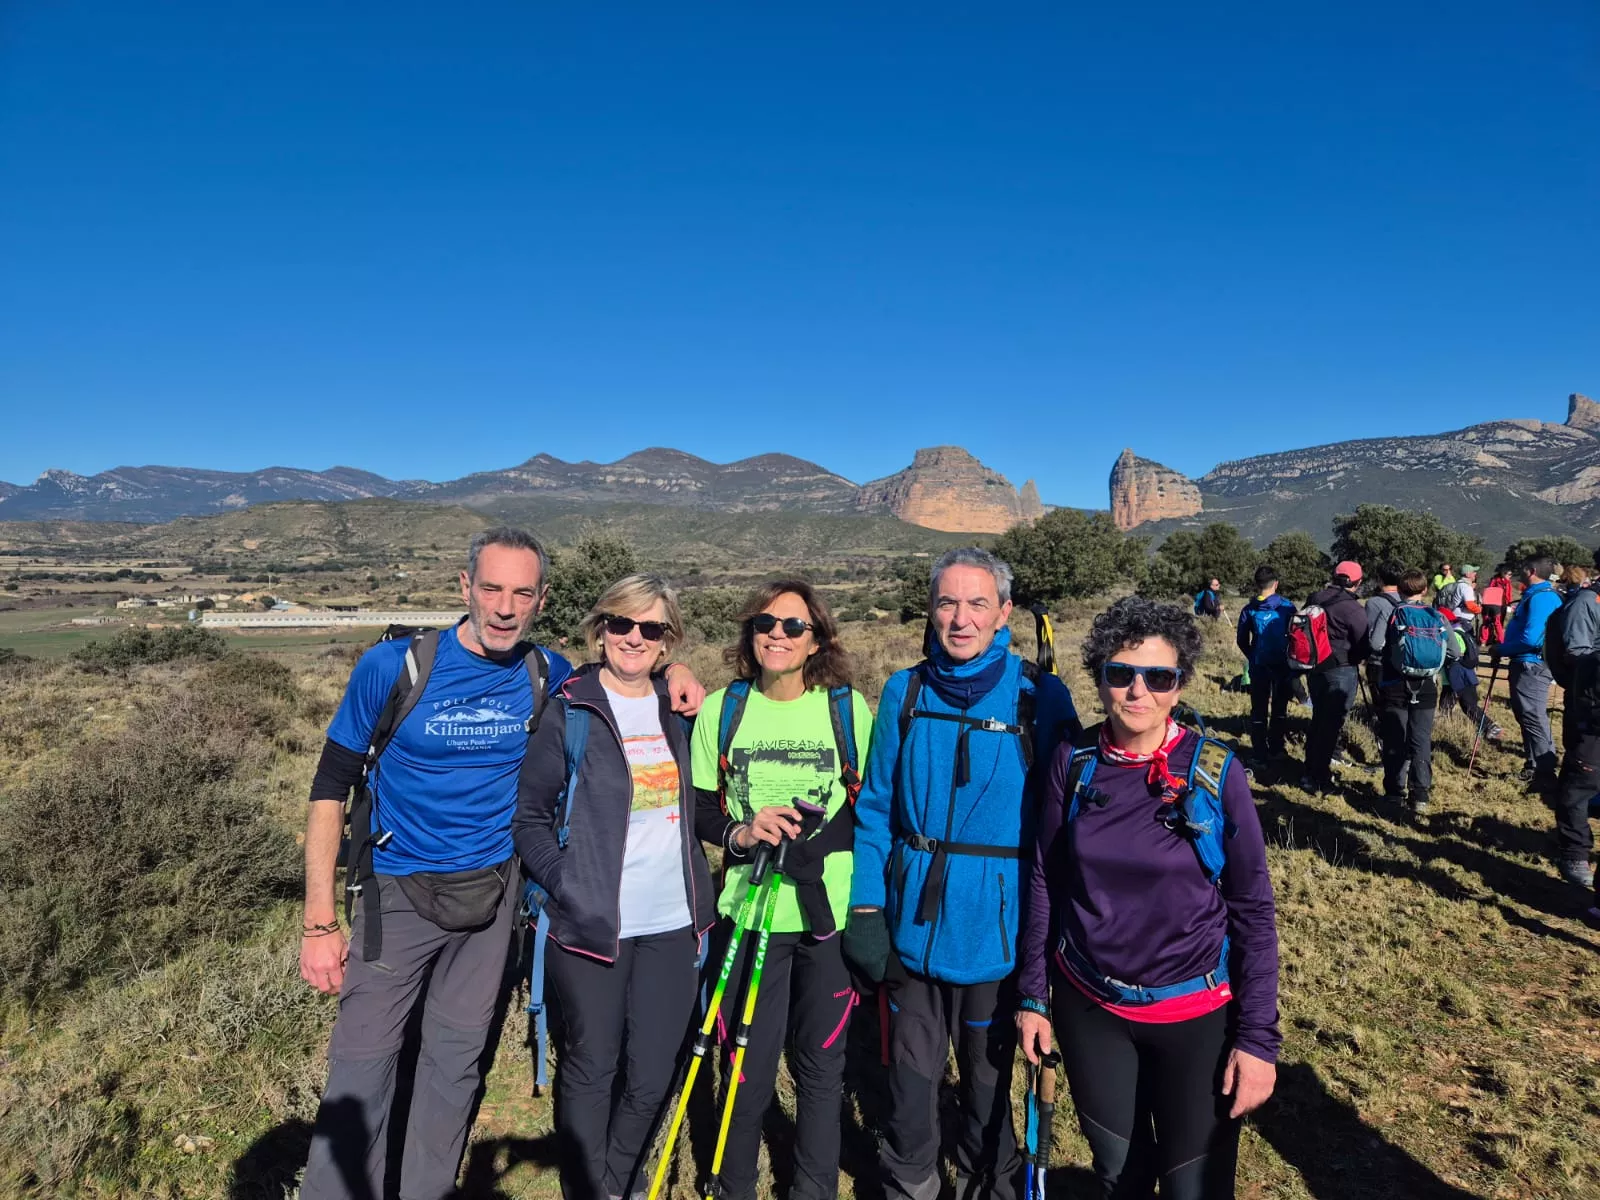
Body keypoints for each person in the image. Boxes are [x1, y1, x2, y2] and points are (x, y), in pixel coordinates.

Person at [297, 529, 705, 1200]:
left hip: (493, 899)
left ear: (542, 599)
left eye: (522, 592)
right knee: (362, 1069)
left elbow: (621, 675)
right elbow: (329, 786)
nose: (505, 607)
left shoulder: (547, 672)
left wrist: (673, 671)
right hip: (396, 893)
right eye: (491, 588)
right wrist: (319, 920)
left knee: (454, 1069)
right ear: (465, 587)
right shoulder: (394, 667)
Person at [1017, 596, 1279, 1200]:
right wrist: (1033, 995)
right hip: (1091, 1008)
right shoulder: (1074, 762)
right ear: (1099, 677)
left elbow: (1252, 909)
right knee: (1120, 1179)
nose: (1138, 691)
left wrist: (1258, 1039)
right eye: (1121, 674)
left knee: (1195, 1190)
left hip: (1197, 1015)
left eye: (1158, 677)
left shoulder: (1215, 771)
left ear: (1179, 684)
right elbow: (1045, 878)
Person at [844, 547, 1079, 1200]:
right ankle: (910, 1185)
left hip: (998, 939)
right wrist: (866, 910)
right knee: (910, 1088)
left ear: (1004, 612)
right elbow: (876, 810)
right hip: (912, 932)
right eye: (947, 602)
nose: (960, 618)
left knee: (987, 1091)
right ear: (930, 610)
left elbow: (1063, 828)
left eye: (978, 603)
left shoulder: (1039, 697)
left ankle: (990, 1186)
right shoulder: (905, 692)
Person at [513, 574, 713, 1200]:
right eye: (621, 623)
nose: (634, 637)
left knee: (652, 1074)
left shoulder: (681, 710)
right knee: (592, 1065)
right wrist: (566, 884)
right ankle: (588, 1188)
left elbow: (705, 803)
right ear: (600, 630)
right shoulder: (570, 709)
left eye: (651, 628)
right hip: (592, 922)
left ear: (667, 640)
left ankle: (615, 1181)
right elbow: (529, 818)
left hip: (673, 923)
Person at [686, 580, 874, 1200]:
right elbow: (701, 807)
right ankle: (734, 1185)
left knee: (821, 1069)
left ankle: (814, 1190)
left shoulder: (846, 709)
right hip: (750, 914)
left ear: (816, 640)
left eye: (794, 626)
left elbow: (869, 806)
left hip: (826, 919)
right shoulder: (724, 708)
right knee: (746, 1068)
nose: (777, 635)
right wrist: (742, 833)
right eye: (765, 623)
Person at [1375, 568, 1460, 817]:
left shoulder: (1393, 613)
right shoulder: (1437, 615)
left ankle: (1394, 792)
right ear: (1425, 589)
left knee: (1395, 738)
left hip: (1394, 683)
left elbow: (1376, 643)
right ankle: (1420, 794)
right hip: (1426, 687)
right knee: (1420, 740)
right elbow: (1455, 652)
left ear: (1400, 589)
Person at [1550, 550, 1600, 892]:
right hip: (1591, 709)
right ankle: (1575, 853)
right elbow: (1576, 652)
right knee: (1579, 783)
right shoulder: (1586, 602)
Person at [1301, 562, 1369, 795]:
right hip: (1341, 669)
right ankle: (1319, 777)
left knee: (1318, 718)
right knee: (1331, 724)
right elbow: (1363, 643)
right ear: (1357, 582)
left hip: (1314, 667)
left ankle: (1309, 770)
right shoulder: (1352, 608)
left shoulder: (1315, 598)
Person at [1499, 557, 1563, 789]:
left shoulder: (1542, 597)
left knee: (1533, 716)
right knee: (1527, 716)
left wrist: (1501, 649)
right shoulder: (1537, 595)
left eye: (1522, 568)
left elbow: (1532, 638)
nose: (1519, 571)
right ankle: (1534, 765)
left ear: (1531, 571)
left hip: (1532, 665)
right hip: (1526, 663)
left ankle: (1545, 774)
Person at [1236, 565, 1296, 762]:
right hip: (1283, 665)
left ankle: (1259, 753)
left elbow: (1241, 640)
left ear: (1257, 584)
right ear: (1276, 584)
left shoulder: (1249, 609)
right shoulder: (1288, 607)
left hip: (1259, 665)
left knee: (1259, 709)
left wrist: (1252, 655)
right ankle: (1277, 748)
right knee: (1280, 708)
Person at [1439, 605, 1503, 742]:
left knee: (1468, 706)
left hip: (1459, 678)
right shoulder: (1460, 631)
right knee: (1450, 706)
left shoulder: (1453, 635)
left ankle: (1490, 727)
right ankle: (1446, 729)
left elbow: (1457, 652)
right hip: (1461, 677)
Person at [1364, 561, 1405, 706]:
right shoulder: (1407, 599)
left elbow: (1368, 632)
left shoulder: (1373, 603)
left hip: (1380, 661)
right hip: (1405, 658)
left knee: (1382, 703)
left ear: (1380, 579)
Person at [1481, 563, 1516, 647]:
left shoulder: (1506, 582)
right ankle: (1490, 640)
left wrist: (1509, 604)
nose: (1510, 576)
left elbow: (1508, 594)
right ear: (1503, 573)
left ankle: (1495, 639)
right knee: (1492, 622)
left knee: (1498, 622)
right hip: (1495, 604)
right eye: (1509, 574)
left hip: (1501, 604)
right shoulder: (1496, 581)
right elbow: (1490, 591)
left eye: (1511, 574)